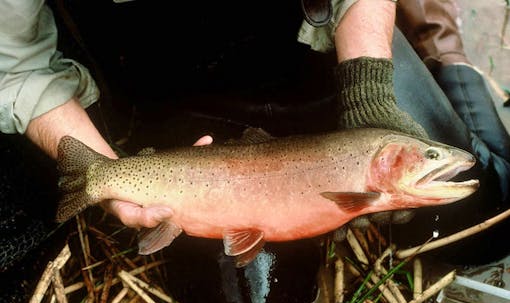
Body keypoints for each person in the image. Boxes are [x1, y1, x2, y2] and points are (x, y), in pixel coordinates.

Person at [0, 0, 508, 263]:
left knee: (487, 225)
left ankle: (447, 55)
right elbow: (18, 69)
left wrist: (369, 92)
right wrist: (108, 177)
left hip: (324, 56)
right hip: (172, 96)